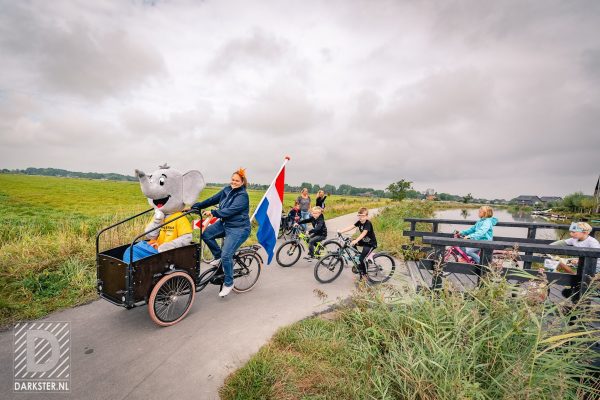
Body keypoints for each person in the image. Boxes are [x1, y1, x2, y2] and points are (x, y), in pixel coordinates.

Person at [190, 168, 250, 297]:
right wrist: (198, 205)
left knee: (226, 255)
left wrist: (214, 213)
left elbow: (230, 211)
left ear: (242, 182)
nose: (234, 182)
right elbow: (212, 199)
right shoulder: (227, 190)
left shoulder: (243, 196)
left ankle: (229, 282)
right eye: (233, 180)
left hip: (239, 229)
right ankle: (218, 257)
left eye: (237, 181)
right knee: (206, 234)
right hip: (225, 224)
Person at [337, 207, 378, 281]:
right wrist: (341, 231)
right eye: (359, 215)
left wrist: (356, 240)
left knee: (361, 259)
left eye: (363, 216)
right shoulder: (359, 222)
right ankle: (358, 256)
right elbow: (351, 227)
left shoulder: (368, 223)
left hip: (370, 244)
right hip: (364, 241)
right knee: (350, 242)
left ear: (367, 216)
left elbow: (364, 233)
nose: (361, 217)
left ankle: (365, 274)